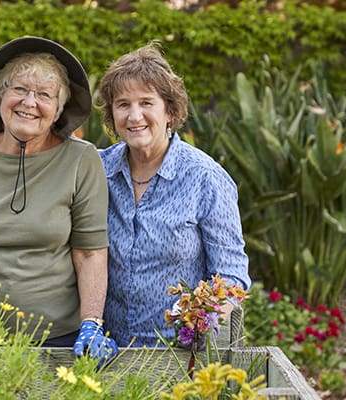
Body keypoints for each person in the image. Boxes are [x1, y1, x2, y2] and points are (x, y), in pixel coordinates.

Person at [0, 36, 117, 363]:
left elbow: (89, 253)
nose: (29, 102)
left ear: (58, 110)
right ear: (0, 96)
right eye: (19, 89)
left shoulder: (80, 160)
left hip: (58, 341)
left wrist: (92, 324)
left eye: (44, 95)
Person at [96, 42, 251, 347]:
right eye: (123, 104)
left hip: (178, 356)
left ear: (169, 110)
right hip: (106, 352)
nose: (134, 115)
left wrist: (199, 327)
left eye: (146, 102)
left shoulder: (204, 177)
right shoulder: (97, 170)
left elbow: (232, 276)